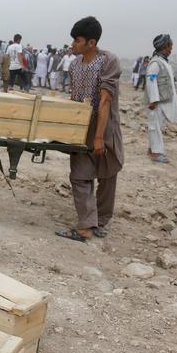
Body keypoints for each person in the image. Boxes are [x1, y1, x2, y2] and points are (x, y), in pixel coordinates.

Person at [55, 17, 123, 243]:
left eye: (77, 40)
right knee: (80, 176)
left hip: (105, 126)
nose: (72, 45)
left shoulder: (108, 61)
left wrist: (99, 137)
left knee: (107, 173)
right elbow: (75, 98)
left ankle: (101, 221)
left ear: (91, 43)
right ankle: (86, 226)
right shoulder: (74, 65)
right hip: (81, 128)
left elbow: (105, 100)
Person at [144, 34, 177, 163]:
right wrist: (153, 100)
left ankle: (152, 149)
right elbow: (151, 81)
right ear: (165, 46)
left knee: (157, 126)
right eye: (170, 46)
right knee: (155, 127)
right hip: (156, 102)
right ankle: (156, 153)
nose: (171, 49)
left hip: (163, 101)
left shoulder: (163, 62)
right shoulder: (155, 63)